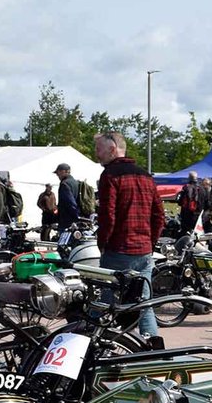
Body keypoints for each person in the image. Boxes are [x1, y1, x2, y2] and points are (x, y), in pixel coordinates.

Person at [95, 130, 166, 345]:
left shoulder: (110, 175)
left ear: (112, 149)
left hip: (118, 248)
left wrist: (103, 243)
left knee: (107, 302)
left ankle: (94, 345)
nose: (97, 154)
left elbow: (108, 215)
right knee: (144, 302)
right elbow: (159, 215)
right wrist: (150, 242)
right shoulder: (146, 176)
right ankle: (154, 348)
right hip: (144, 250)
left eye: (99, 149)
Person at [54, 163, 79, 234]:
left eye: (58, 173)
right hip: (74, 219)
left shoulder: (64, 184)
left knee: (63, 243)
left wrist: (75, 216)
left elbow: (70, 202)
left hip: (66, 220)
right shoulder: (75, 182)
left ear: (63, 171)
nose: (57, 175)